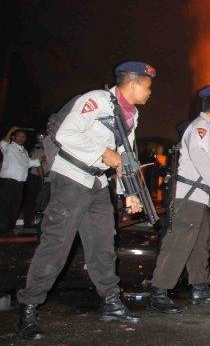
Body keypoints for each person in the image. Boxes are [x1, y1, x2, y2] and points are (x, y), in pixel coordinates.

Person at [16, 61, 155, 340]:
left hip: (98, 183)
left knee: (103, 245)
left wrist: (130, 193)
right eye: (148, 86)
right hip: (72, 179)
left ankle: (110, 301)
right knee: (57, 245)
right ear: (132, 84)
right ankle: (28, 308)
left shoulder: (131, 115)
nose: (150, 92)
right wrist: (102, 152)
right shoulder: (96, 100)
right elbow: (65, 134)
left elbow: (124, 155)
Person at [148, 85, 210, 314]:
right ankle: (158, 291)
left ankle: (199, 288)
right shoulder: (200, 128)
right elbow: (199, 157)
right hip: (190, 196)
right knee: (178, 243)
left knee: (200, 243)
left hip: (200, 196)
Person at [0, 128, 41, 234]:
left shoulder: (24, 151)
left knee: (15, 206)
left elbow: (28, 163)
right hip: (8, 182)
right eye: (19, 136)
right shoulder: (8, 147)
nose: (21, 138)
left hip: (20, 184)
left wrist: (42, 159)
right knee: (5, 205)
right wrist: (11, 130)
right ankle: (2, 229)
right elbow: (3, 142)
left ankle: (9, 228)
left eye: (23, 136)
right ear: (13, 137)